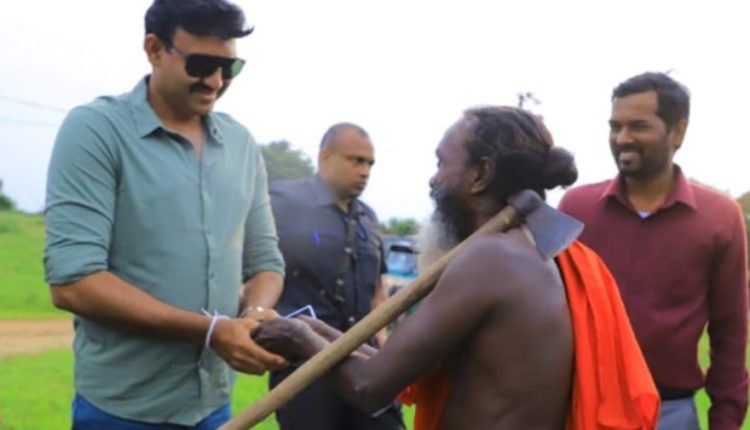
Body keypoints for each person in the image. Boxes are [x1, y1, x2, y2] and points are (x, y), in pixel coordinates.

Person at [255, 106, 660, 430]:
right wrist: (312, 329)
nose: (434, 180)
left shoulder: (491, 258)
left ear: (481, 174)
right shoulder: (531, 254)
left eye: (441, 163)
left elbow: (370, 385)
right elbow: (390, 360)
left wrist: (296, 338)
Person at [44, 1, 287, 428]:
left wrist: (254, 314)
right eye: (201, 65)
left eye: (229, 68)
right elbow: (74, 281)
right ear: (154, 49)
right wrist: (210, 331)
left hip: (212, 406)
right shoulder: (97, 130)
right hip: (122, 411)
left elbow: (266, 262)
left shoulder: (241, 145)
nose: (216, 81)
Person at [558, 72, 749, 430]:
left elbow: (731, 330)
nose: (622, 138)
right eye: (615, 126)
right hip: (584, 407)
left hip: (671, 413)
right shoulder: (575, 209)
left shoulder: (719, 217)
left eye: (638, 126)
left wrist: (725, 420)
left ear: (677, 131)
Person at [267, 123, 402, 430]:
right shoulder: (284, 201)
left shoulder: (367, 218)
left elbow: (377, 291)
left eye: (369, 164)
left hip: (362, 364)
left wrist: (383, 347)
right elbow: (251, 260)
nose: (365, 172)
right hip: (305, 365)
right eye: (356, 161)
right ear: (325, 157)